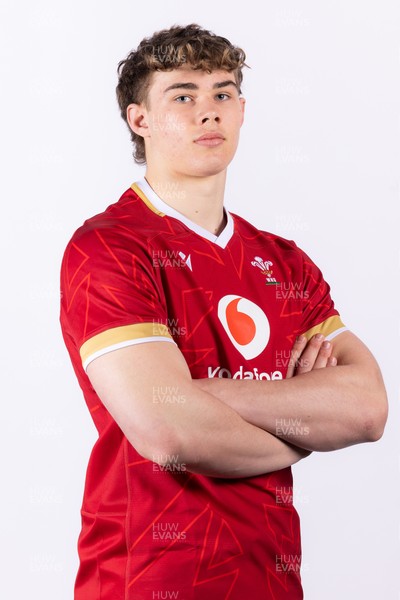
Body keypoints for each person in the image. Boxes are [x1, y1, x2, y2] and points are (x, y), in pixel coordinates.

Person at [60, 23, 388, 600]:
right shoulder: (109, 247)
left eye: (223, 93)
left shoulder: (285, 263)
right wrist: (301, 433)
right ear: (140, 119)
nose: (208, 110)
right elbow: (169, 432)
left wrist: (198, 393)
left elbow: (366, 410)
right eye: (183, 96)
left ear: (241, 111)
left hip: (273, 576)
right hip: (149, 576)